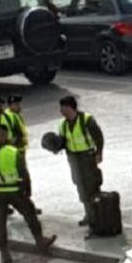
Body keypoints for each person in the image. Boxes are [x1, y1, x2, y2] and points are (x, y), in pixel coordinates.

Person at [0, 124, 54, 263]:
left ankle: (5, 254)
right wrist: (27, 190)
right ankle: (40, 241)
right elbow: (23, 172)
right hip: (14, 192)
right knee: (30, 214)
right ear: (5, 135)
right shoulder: (13, 151)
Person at [55, 96, 104, 236]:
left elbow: (98, 137)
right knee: (80, 185)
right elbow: (63, 142)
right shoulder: (62, 124)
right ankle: (89, 215)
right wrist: (56, 146)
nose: (60, 111)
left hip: (87, 156)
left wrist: (99, 153)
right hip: (73, 158)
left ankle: (97, 217)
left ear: (70, 107)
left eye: (62, 107)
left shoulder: (87, 120)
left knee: (92, 185)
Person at [5, 95, 40, 216]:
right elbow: (9, 137)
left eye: (19, 104)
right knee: (22, 180)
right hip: (15, 154)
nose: (20, 106)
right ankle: (26, 207)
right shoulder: (10, 117)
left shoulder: (15, 116)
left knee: (17, 180)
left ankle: (8, 206)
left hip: (19, 152)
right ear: (11, 105)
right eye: (17, 104)